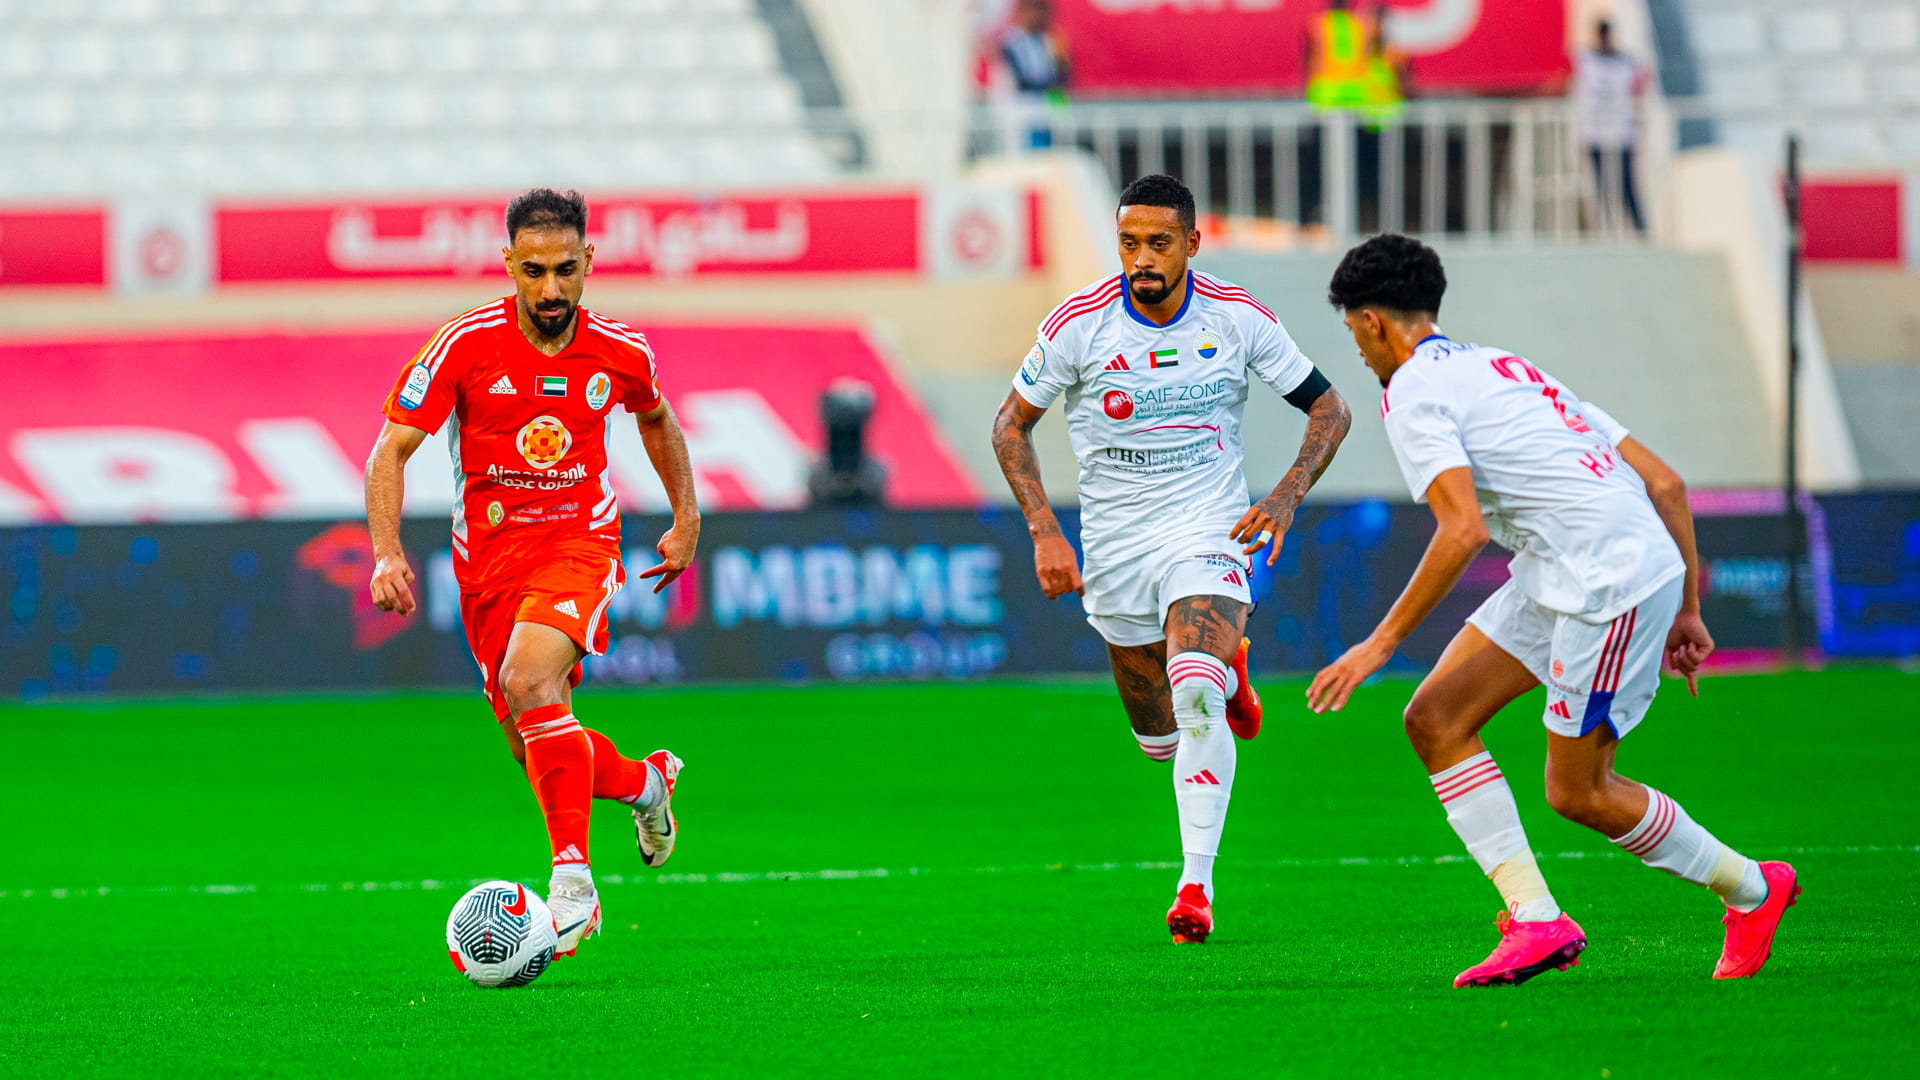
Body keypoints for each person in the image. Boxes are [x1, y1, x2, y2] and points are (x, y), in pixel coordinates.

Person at [1308, 233, 1797, 986]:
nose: (1361, 353)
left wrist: (1378, 644)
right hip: (1569, 570)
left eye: (1352, 333)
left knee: (1579, 791)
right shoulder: (1505, 366)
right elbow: (1666, 484)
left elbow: (1463, 528)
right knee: (1434, 719)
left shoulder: (1410, 391)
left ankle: (1753, 889)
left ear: (1371, 321)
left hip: (1608, 586)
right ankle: (1536, 922)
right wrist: (1690, 607)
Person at [991, 174, 1352, 944]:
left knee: (1192, 694)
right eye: (1129, 243)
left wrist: (1287, 494)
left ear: (1192, 242)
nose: (1142, 259)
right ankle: (1230, 670)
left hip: (1208, 529)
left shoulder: (1238, 318)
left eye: (1159, 243)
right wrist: (1044, 531)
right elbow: (1009, 427)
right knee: (1159, 740)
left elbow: (1330, 406)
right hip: (1117, 545)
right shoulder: (1080, 325)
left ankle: (1196, 885)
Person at [363, 188, 702, 958]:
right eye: (533, 271)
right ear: (509, 265)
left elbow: (657, 419)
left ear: (589, 263)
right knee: (536, 743)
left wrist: (686, 519)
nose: (550, 290)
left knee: (529, 683)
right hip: (487, 563)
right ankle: (648, 784)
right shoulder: (462, 343)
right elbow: (391, 450)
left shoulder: (621, 349)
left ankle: (572, 885)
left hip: (579, 542)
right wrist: (387, 551)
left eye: (564, 271)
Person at [1575, 19, 1648, 233]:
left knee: (1626, 184)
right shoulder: (1586, 59)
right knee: (1602, 185)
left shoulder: (1625, 61)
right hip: (1595, 131)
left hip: (1620, 131)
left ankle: (1639, 229)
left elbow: (1640, 86)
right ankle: (1606, 228)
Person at [992, 0, 1070, 150]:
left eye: (1042, 10)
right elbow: (1021, 79)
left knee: (1055, 146)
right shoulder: (1013, 42)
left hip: (1051, 107)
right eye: (1034, 10)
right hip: (1024, 109)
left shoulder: (1053, 40)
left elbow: (1062, 75)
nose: (1038, 16)